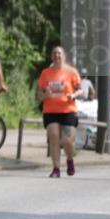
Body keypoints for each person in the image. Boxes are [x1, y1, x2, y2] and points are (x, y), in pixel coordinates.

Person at [37, 46, 82, 178]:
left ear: (64, 56)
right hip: (50, 111)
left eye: (59, 53)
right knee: (54, 136)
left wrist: (74, 95)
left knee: (67, 140)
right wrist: (45, 95)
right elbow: (39, 93)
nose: (57, 56)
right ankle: (56, 168)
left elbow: (80, 90)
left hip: (68, 110)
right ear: (51, 57)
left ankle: (69, 160)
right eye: (54, 53)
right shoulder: (45, 73)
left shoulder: (71, 72)